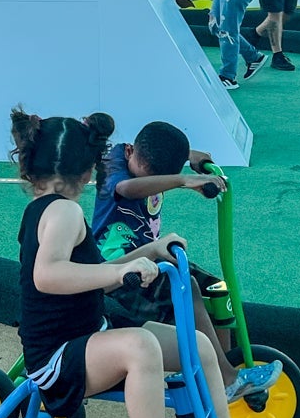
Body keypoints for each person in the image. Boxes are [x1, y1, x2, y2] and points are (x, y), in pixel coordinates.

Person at [10, 107, 223, 418]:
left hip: (87, 336)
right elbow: (47, 276)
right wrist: (125, 268)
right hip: (55, 359)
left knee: (196, 345)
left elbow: (94, 275)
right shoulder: (64, 211)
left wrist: (148, 252)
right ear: (90, 173)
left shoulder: (51, 209)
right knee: (142, 347)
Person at [91, 121, 282, 402]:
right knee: (186, 287)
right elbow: (128, 188)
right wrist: (182, 179)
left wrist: (189, 155)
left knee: (216, 289)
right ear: (130, 151)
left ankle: (221, 365)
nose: (157, 183)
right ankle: (226, 379)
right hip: (120, 272)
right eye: (153, 177)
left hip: (153, 258)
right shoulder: (113, 169)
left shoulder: (141, 154)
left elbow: (153, 160)